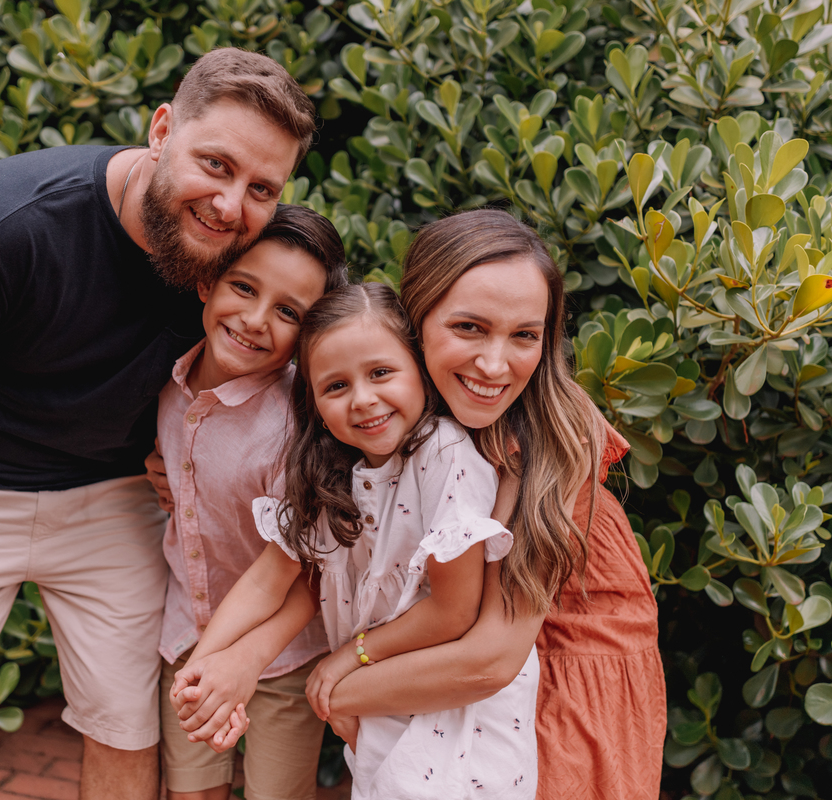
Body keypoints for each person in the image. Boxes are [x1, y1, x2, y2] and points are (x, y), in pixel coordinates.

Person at [0, 47, 316, 800]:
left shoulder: (237, 262)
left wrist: (177, 457)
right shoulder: (8, 219)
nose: (231, 205)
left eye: (261, 188)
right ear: (161, 130)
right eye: (216, 164)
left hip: (115, 495)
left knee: (124, 726)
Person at [164, 210, 665, 799]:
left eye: (525, 335)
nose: (494, 364)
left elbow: (487, 659)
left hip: (559, 666)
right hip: (432, 676)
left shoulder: (542, 436)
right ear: (415, 322)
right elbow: (310, 565)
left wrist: (341, 684)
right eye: (469, 328)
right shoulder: (392, 422)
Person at [172, 283, 534, 799]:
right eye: (336, 386)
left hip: (452, 712)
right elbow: (267, 581)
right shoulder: (334, 472)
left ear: (420, 371)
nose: (363, 399)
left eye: (381, 373)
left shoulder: (444, 454)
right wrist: (201, 669)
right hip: (380, 699)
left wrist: (349, 657)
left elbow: (453, 611)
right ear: (316, 404)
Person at [156, 203, 347, 800]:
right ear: (207, 281)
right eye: (244, 287)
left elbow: (307, 568)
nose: (256, 320)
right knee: (190, 790)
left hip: (284, 655)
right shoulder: (167, 383)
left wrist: (234, 660)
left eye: (289, 312)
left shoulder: (299, 427)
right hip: (187, 632)